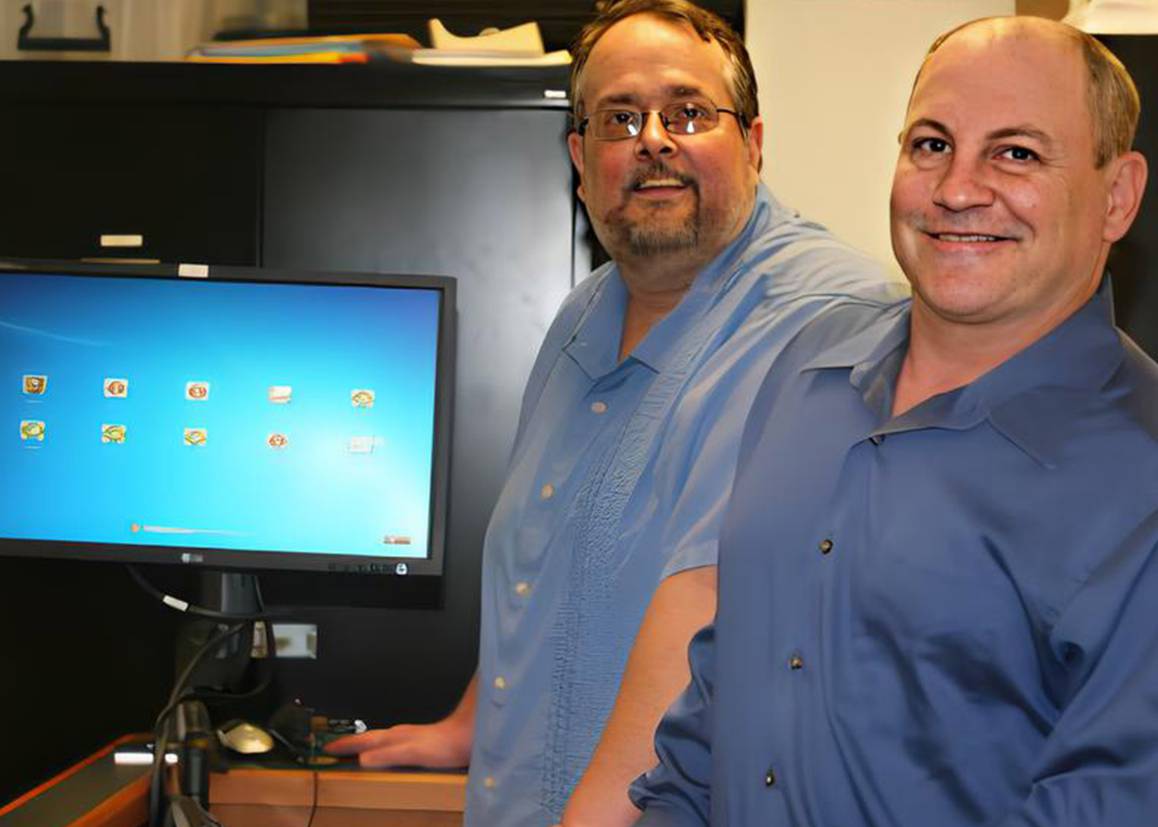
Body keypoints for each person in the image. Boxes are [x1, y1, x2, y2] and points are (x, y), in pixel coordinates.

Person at [327, 2, 897, 824]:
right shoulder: (584, 316)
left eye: (690, 112)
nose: (654, 139)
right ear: (581, 158)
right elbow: (547, 567)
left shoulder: (829, 320)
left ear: (756, 141)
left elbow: (706, 604)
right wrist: (474, 722)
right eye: (619, 118)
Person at [632, 15, 1157, 826]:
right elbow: (717, 705)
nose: (956, 188)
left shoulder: (1141, 478)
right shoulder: (807, 372)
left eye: (1016, 153)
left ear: (1117, 196)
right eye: (931, 144)